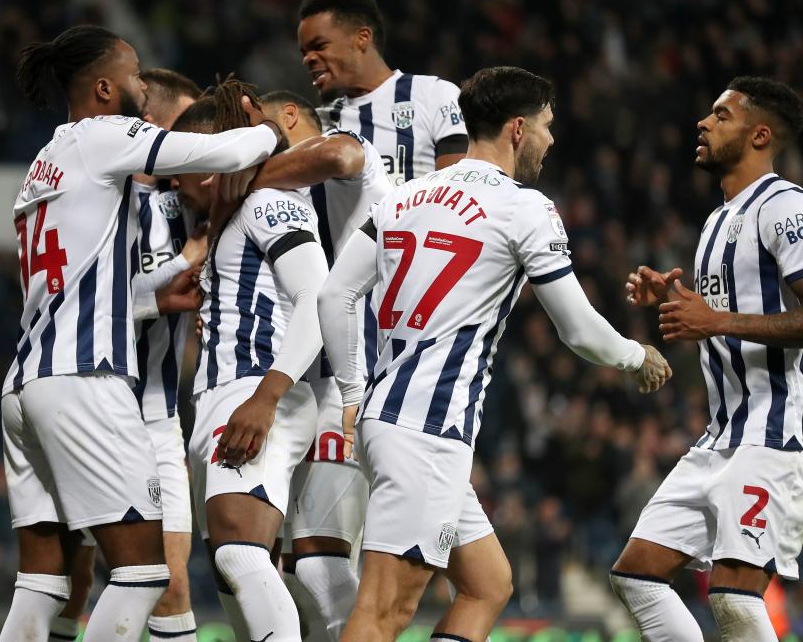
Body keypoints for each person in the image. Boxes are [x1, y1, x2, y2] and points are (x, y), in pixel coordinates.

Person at [317, 66, 671, 642]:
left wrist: (356, 393)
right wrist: (636, 356)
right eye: (546, 126)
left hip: (390, 418)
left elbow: (335, 294)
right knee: (384, 611)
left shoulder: (407, 194)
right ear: (517, 129)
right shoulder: (522, 207)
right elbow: (577, 329)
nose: (551, 139)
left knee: (488, 583)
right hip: (428, 429)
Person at [0, 25, 282, 642]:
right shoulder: (104, 137)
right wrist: (270, 128)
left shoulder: (45, 161)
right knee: (143, 572)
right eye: (132, 75)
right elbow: (226, 155)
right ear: (103, 88)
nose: (141, 90)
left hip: (25, 383)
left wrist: (158, 291)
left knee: (41, 583)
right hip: (84, 380)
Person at [613, 76, 803, 642]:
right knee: (637, 577)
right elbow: (729, 316)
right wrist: (672, 302)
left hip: (775, 436)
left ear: (760, 135)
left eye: (722, 116)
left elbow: (729, 322)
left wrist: (714, 321)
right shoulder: (717, 220)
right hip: (720, 437)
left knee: (735, 600)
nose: (704, 122)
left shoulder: (785, 206)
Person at [170, 81, 330, 642]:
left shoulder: (269, 202)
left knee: (240, 555)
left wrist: (266, 397)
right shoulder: (224, 222)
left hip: (256, 391)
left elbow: (320, 297)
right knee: (235, 574)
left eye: (182, 165)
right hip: (223, 399)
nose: (173, 181)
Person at [51, 67, 204, 642]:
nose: (198, 138)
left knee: (170, 583)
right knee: (73, 580)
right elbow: (77, 299)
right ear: (154, 127)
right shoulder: (95, 202)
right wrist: (172, 279)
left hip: (157, 417)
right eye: (187, 125)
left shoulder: (188, 201)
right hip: (88, 403)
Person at [250, 90, 392, 639]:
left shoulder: (352, 158)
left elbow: (338, 158)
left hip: (354, 380)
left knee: (319, 565)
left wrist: (248, 173)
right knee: (289, 569)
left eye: (259, 130)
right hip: (311, 387)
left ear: (288, 118)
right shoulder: (282, 205)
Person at [297, 0, 468, 188]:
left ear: (362, 38)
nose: (308, 59)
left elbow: (458, 190)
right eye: (304, 52)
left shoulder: (435, 95)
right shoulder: (314, 123)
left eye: (319, 46)